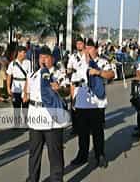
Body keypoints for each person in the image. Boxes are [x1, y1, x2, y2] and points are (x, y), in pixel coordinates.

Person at [24, 46, 69, 182]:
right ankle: (33, 178)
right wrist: (25, 94)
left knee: (54, 153)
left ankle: (56, 179)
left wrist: (59, 89)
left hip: (52, 120)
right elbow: (26, 95)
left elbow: (67, 91)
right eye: (41, 57)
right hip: (35, 119)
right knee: (34, 154)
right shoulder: (33, 75)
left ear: (52, 59)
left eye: (46, 57)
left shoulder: (58, 74)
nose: (43, 59)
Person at [70, 38, 114, 168]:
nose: (87, 50)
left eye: (90, 48)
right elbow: (73, 82)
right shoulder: (79, 64)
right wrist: (73, 99)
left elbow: (111, 75)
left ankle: (99, 155)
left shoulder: (102, 62)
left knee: (97, 132)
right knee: (82, 132)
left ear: (95, 49)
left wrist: (98, 72)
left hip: (97, 103)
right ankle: (82, 155)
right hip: (82, 102)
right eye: (86, 48)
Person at [6, 46, 31, 125]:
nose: (25, 54)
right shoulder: (12, 63)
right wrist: (8, 88)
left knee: (25, 106)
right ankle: (16, 124)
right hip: (15, 87)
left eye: (25, 53)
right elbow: (9, 76)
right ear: (19, 53)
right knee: (16, 107)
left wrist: (27, 89)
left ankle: (26, 123)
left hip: (25, 86)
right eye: (23, 52)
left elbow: (29, 76)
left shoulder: (28, 62)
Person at [67, 37, 86, 135]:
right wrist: (71, 70)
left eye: (80, 43)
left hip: (86, 85)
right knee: (74, 107)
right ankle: (75, 128)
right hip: (75, 84)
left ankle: (85, 127)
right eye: (77, 43)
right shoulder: (73, 57)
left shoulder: (88, 56)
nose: (79, 45)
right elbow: (68, 69)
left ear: (84, 44)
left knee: (86, 107)